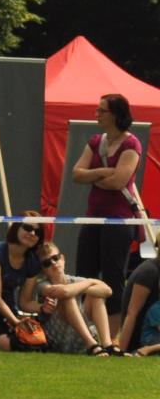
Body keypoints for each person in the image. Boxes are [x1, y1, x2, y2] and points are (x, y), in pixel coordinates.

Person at [70, 92, 143, 325]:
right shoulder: (95, 141)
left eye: (102, 110)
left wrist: (93, 176)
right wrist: (102, 172)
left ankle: (111, 333)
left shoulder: (132, 144)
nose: (97, 114)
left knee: (113, 277)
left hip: (119, 220)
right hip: (93, 217)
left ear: (116, 114)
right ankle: (84, 328)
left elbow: (118, 182)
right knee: (83, 273)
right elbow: (76, 174)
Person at [25, 244, 117, 355]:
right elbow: (64, 292)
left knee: (96, 296)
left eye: (55, 258)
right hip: (58, 341)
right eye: (47, 263)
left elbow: (108, 291)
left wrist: (86, 286)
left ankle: (107, 345)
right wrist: (90, 282)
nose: (53, 263)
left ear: (62, 259)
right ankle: (91, 345)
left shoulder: (74, 280)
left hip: (79, 339)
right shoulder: (43, 285)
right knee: (67, 297)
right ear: (43, 270)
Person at [0, 219, 44, 351]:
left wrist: (43, 308)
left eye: (38, 232)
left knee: (35, 344)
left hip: (9, 311)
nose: (32, 233)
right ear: (16, 227)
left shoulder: (32, 261)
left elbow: (24, 302)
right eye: (27, 228)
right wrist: (15, 322)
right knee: (12, 346)